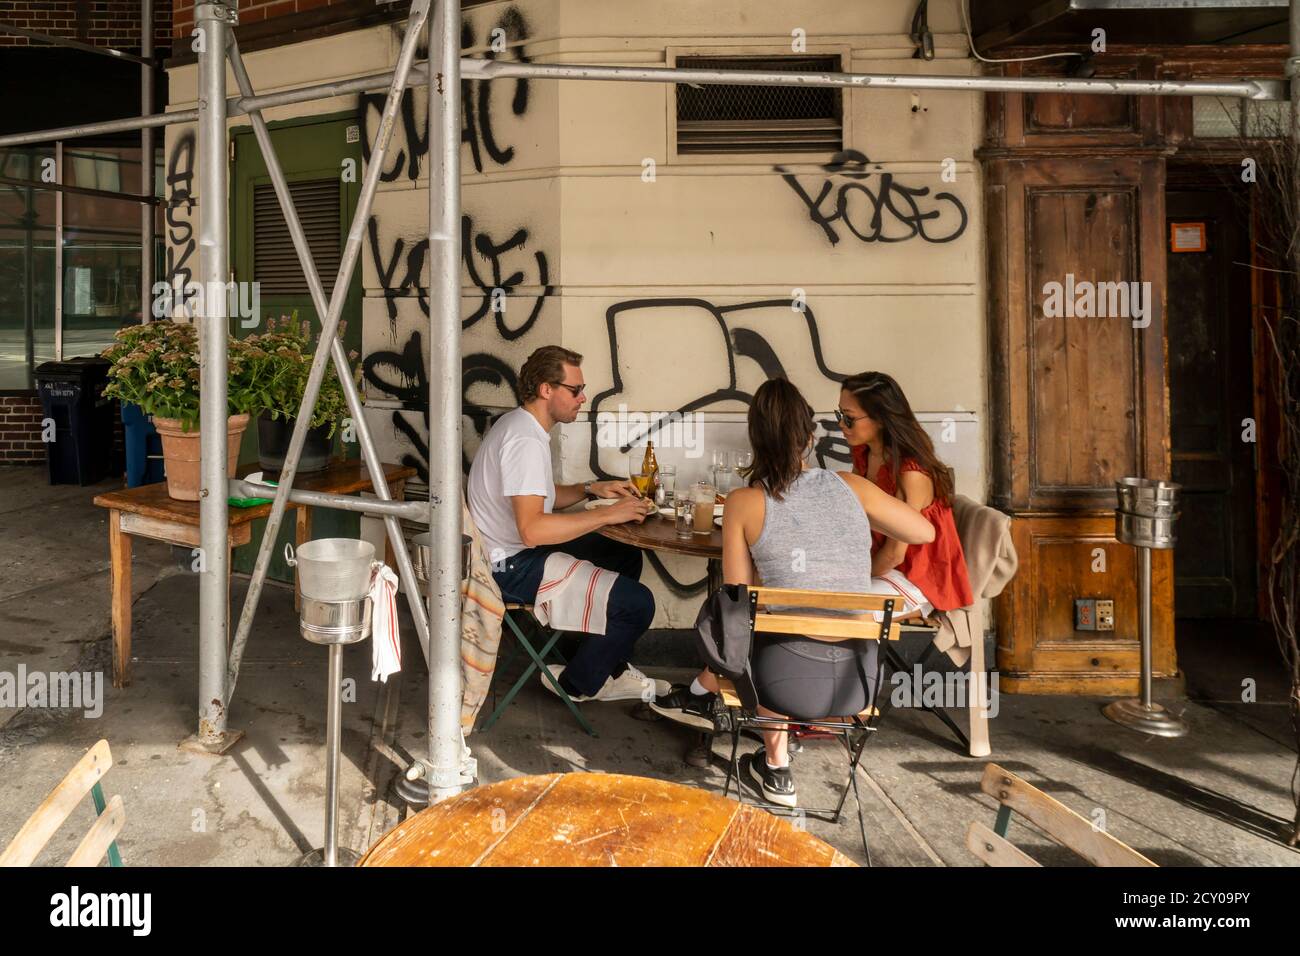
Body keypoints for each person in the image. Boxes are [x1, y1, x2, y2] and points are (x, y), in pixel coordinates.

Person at [652, 378, 934, 807]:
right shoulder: (851, 487)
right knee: (770, 623)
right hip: (856, 685)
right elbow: (923, 530)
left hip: (780, 683)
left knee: (747, 621)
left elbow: (736, 595)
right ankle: (710, 709)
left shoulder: (745, 503)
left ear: (757, 441)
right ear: (810, 436)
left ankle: (777, 767)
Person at [466, 345, 668, 703]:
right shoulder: (524, 440)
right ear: (547, 389)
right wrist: (607, 513)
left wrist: (590, 489)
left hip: (509, 549)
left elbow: (537, 497)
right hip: (506, 566)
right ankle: (579, 682)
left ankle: (608, 663)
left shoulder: (521, 425)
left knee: (623, 554)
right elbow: (533, 529)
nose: (583, 397)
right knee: (639, 605)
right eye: (575, 390)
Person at [836, 371, 975, 620]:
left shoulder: (911, 472)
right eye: (840, 415)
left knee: (846, 609)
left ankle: (861, 660)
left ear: (880, 418)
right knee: (820, 597)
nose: (841, 425)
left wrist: (849, 577)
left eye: (849, 418)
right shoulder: (864, 455)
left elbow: (894, 553)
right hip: (881, 566)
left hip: (918, 577)